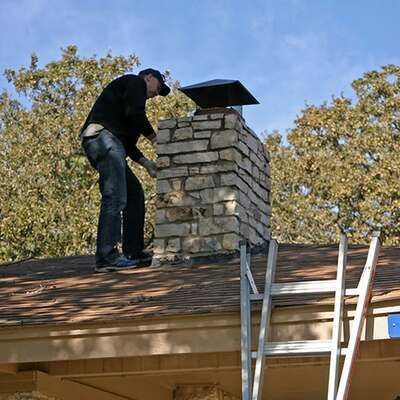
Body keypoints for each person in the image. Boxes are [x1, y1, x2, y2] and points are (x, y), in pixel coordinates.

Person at [80, 68, 170, 272]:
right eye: (159, 86)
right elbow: (136, 114)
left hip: (111, 143)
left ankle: (133, 251)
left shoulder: (128, 106)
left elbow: (128, 145)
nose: (157, 93)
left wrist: (147, 164)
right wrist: (156, 140)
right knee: (115, 196)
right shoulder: (134, 82)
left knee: (134, 193)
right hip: (103, 138)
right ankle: (106, 258)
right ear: (149, 77)